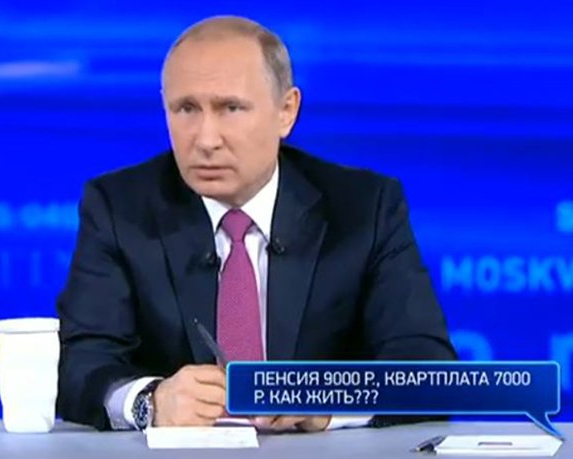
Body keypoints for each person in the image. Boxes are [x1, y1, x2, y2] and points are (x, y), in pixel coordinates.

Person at [57, 15, 456, 433]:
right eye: (186, 108)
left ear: (286, 111)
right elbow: (80, 365)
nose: (206, 139)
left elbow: (429, 371)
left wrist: (325, 398)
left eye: (230, 108)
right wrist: (150, 402)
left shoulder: (363, 209)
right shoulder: (119, 208)